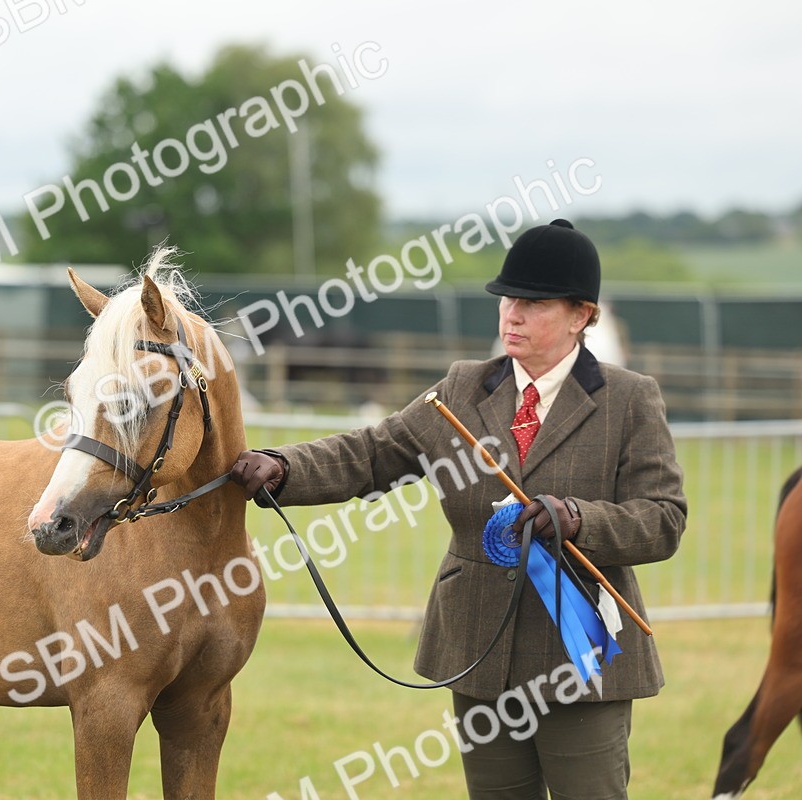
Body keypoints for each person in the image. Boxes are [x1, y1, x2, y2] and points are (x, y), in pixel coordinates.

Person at [229, 219, 687, 800]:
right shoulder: (463, 388)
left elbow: (664, 519)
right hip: (477, 652)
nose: (512, 315)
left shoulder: (629, 398)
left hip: (581, 660)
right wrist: (284, 466)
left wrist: (576, 518)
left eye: (534, 303)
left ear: (582, 315)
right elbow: (372, 453)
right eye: (507, 299)